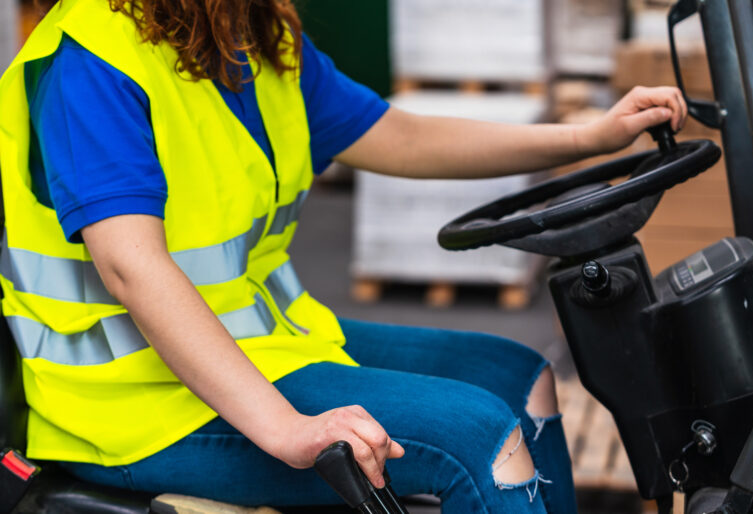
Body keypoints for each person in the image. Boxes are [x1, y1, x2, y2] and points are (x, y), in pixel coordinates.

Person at [0, 0, 687, 512]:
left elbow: (400, 136)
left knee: (517, 375)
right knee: (477, 437)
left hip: (259, 348)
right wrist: (289, 430)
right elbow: (132, 266)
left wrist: (586, 139)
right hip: (133, 407)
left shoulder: (252, 40)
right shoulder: (93, 58)